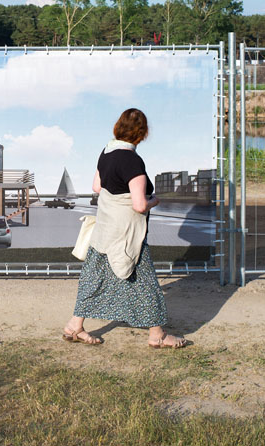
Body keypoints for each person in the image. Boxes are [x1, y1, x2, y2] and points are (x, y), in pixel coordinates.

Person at [62, 108, 188, 349]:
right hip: (127, 234)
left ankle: (74, 326)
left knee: (94, 280)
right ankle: (157, 336)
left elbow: (97, 187)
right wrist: (155, 201)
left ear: (118, 127)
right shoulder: (132, 161)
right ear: (142, 134)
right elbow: (140, 205)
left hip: (105, 231)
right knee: (147, 284)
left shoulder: (106, 152)